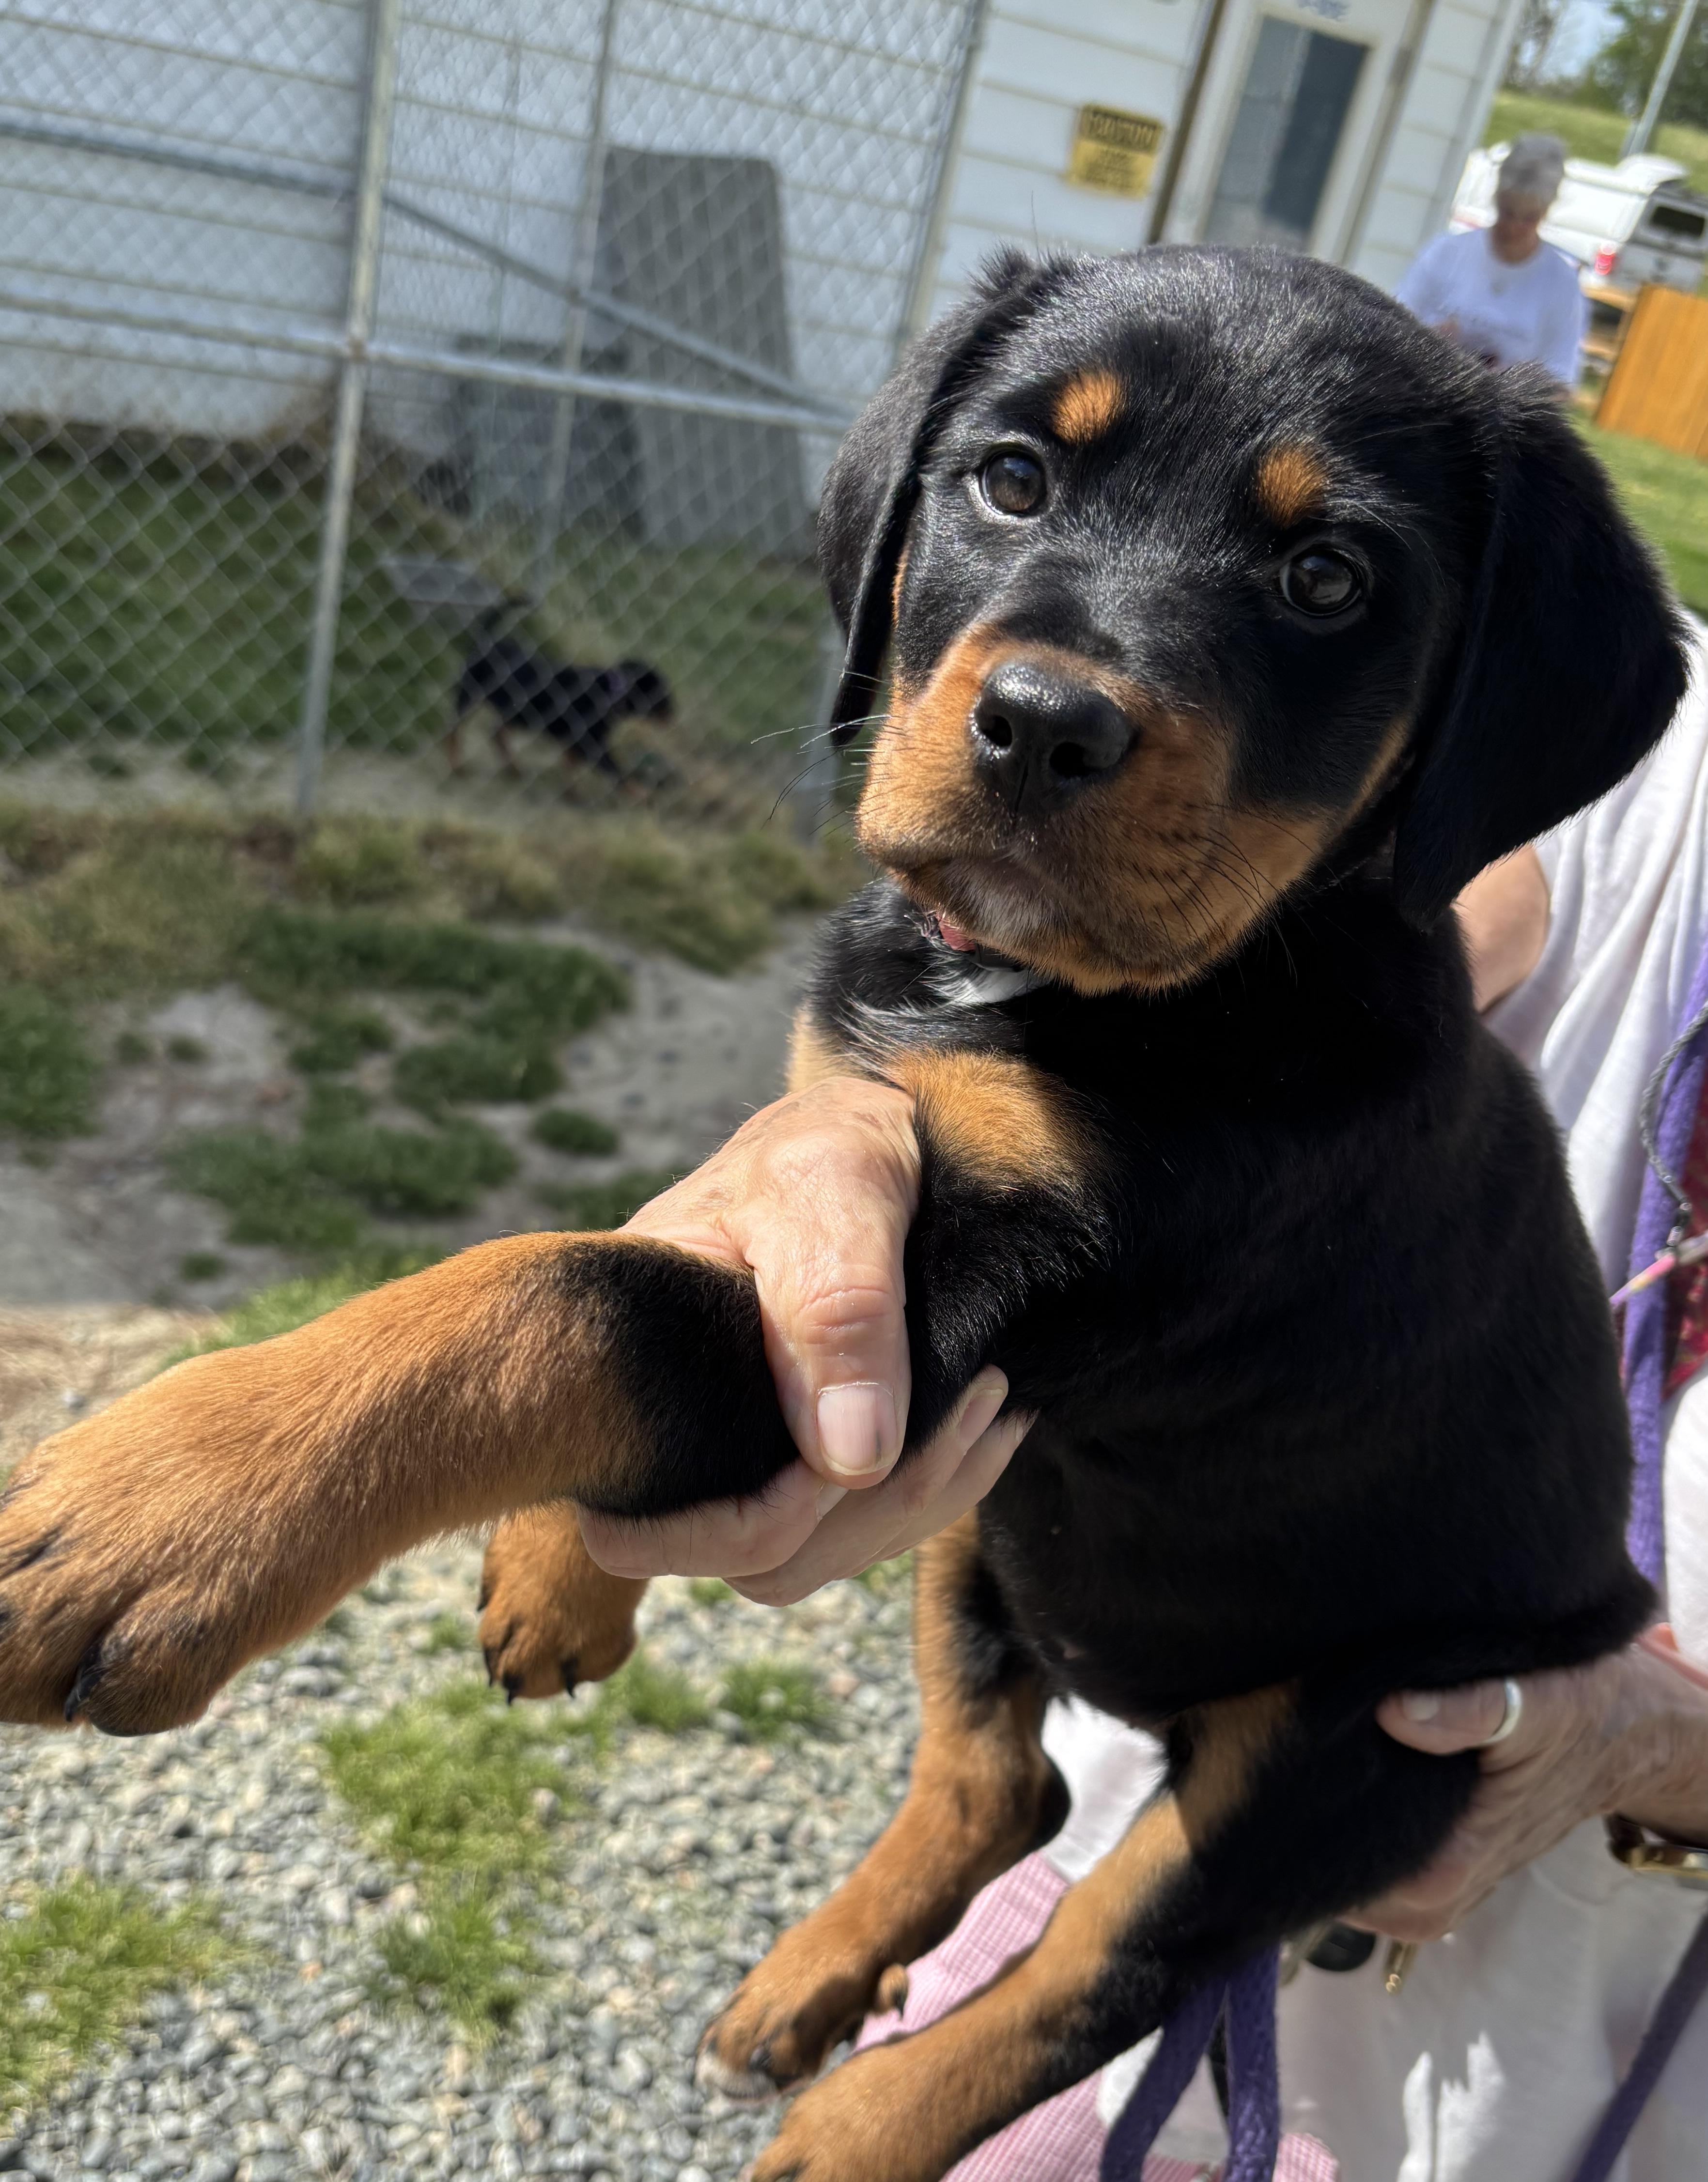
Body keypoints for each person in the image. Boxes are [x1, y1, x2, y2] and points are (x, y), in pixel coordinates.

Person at [577, 637, 1708, 2175]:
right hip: (1154, 1750)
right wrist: (850, 1135)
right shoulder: (1605, 728)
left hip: (1596, 2045)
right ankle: (962, 1792)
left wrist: (1643, 1742)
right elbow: (1332, 938)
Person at [1396, 134, 1587, 390]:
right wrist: (1431, 338)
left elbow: (1561, 382)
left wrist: (1513, 381)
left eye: (1529, 218)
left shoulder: (1560, 283)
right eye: (1508, 212)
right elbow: (1394, 326)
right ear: (1497, 197)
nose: (1515, 227)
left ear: (1547, 211)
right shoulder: (1447, 253)